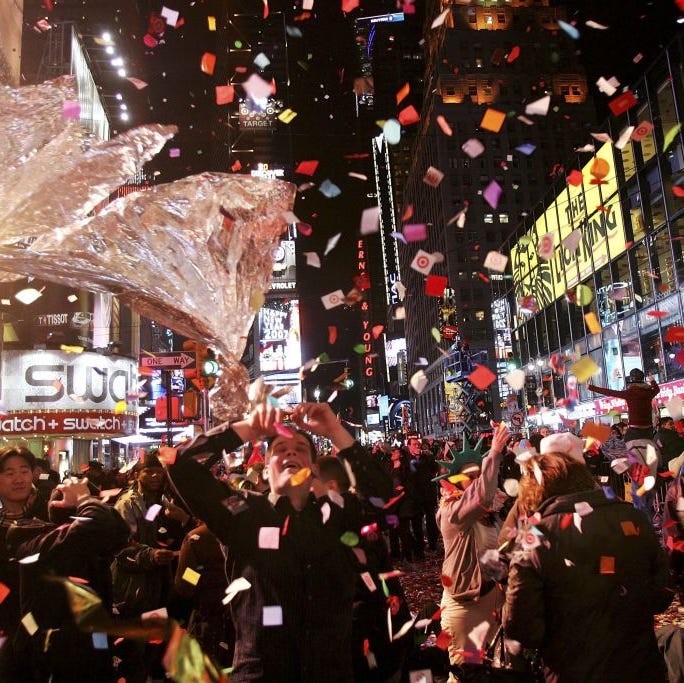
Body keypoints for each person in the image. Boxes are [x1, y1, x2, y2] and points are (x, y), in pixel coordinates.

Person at [165, 401, 394, 682]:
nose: (290, 452)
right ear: (265, 467)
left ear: (312, 468)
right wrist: (248, 428)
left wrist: (335, 429)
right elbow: (181, 466)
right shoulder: (242, 513)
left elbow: (382, 496)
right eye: (279, 449)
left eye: (300, 449)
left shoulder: (337, 516)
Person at [502, 449, 672, 682]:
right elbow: (662, 595)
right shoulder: (632, 517)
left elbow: (522, 628)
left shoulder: (534, 538)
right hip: (640, 667)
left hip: (572, 671)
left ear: (533, 490)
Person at [2, 477, 130, 682]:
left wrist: (86, 502)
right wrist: (83, 498)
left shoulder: (87, 547)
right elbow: (97, 525)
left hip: (86, 648)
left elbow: (120, 532)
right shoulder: (40, 544)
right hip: (56, 656)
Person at [436, 422, 510, 668]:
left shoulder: (492, 511)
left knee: (496, 667)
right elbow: (481, 495)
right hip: (464, 605)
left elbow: (489, 553)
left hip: (491, 597)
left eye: (478, 474)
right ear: (455, 482)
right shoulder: (452, 514)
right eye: (468, 476)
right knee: (466, 673)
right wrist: (495, 453)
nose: (475, 479)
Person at [588, 369, 659, 442]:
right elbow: (657, 389)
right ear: (642, 379)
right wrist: (652, 380)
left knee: (625, 448)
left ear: (631, 379)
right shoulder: (649, 392)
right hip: (648, 429)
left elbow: (609, 392)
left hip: (635, 429)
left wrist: (591, 387)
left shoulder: (629, 393)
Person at [406, 434, 440, 558]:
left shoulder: (427, 457)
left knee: (431, 520)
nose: (417, 446)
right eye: (414, 444)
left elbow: (435, 469)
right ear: (409, 446)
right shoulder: (406, 459)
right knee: (416, 523)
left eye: (418, 444)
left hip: (428, 494)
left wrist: (430, 457)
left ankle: (432, 545)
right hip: (415, 496)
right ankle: (420, 548)